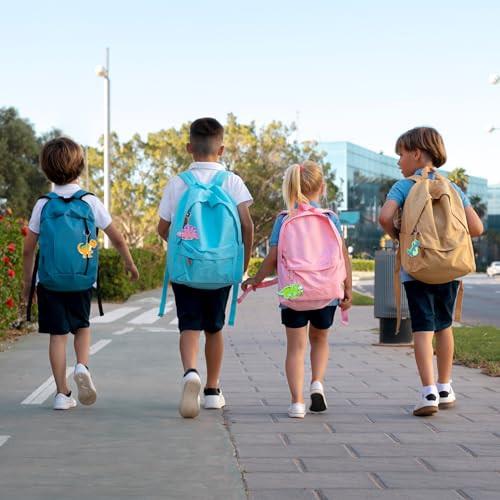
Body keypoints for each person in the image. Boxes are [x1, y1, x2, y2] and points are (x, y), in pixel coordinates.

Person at [22, 137, 139, 411]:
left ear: (45, 169)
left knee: (57, 336)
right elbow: (117, 238)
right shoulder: (90, 201)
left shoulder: (43, 204)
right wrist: (130, 264)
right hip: (82, 279)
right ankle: (82, 365)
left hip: (49, 282)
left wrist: (27, 284)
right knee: (82, 326)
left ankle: (62, 394)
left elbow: (29, 249)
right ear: (81, 167)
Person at [379, 127, 483, 416]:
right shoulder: (454, 187)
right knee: (444, 326)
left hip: (417, 263)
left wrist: (400, 236)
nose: (398, 162)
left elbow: (385, 216)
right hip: (449, 267)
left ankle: (427, 394)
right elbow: (477, 228)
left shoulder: (404, 186)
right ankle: (446, 388)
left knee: (422, 329)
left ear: (416, 153)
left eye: (400, 154)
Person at [157, 117, 254, 418]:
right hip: (222, 268)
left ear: (189, 147)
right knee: (214, 328)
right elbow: (247, 225)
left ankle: (190, 373)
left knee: (189, 325)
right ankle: (213, 390)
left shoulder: (178, 183)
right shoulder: (232, 182)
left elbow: (163, 228)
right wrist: (243, 262)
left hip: (187, 267)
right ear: (221, 148)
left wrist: (185, 241)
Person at [242, 161, 352, 419]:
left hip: (293, 291)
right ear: (322, 187)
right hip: (326, 290)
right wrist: (346, 287)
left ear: (290, 187)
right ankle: (317, 383)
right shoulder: (330, 218)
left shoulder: (284, 219)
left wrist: (255, 279)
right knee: (320, 339)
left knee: (295, 347)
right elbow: (343, 255)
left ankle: (297, 403)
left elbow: (272, 258)